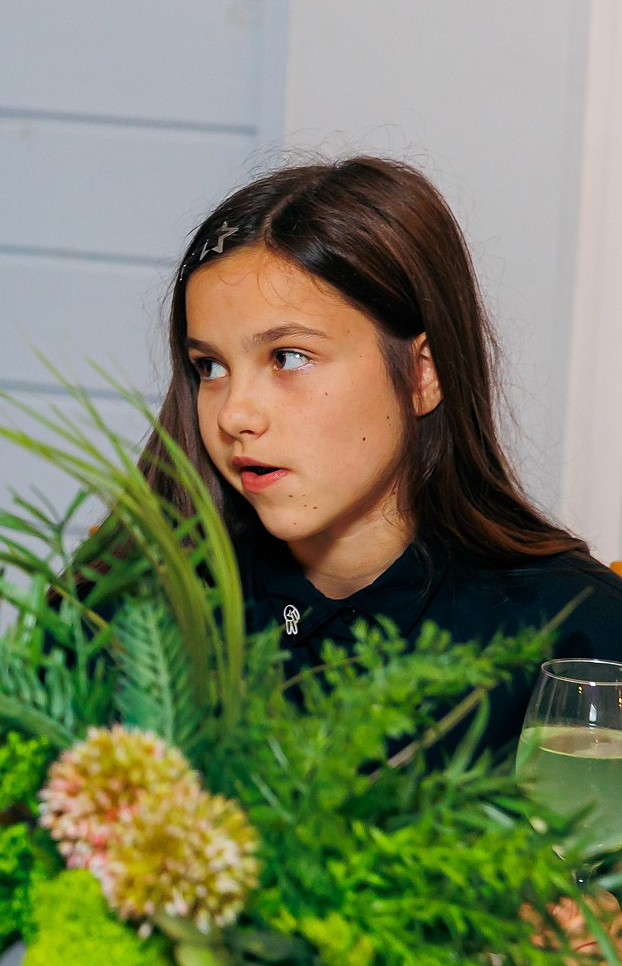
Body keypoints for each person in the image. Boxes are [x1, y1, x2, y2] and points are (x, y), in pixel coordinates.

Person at [154, 156, 622, 749]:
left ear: (424, 372)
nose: (234, 415)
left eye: (288, 357)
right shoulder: (147, 613)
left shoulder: (582, 633)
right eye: (210, 367)